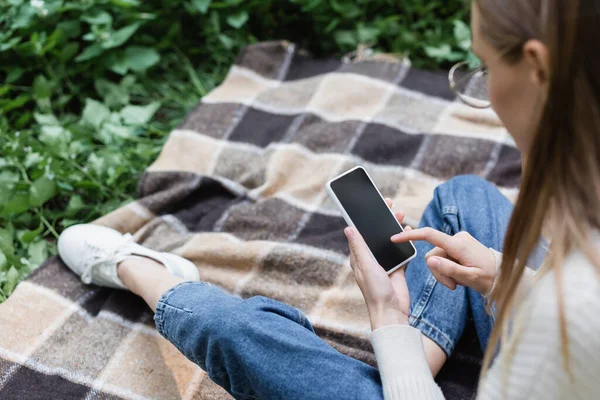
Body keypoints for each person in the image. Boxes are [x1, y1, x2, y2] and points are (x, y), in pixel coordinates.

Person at [57, 0, 600, 398]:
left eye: (484, 69)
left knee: (239, 335)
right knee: (463, 200)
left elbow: (577, 324)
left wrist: (387, 320)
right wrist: (511, 282)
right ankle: (418, 361)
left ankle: (147, 272)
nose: (482, 93)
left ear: (538, 67)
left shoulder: (568, 321)